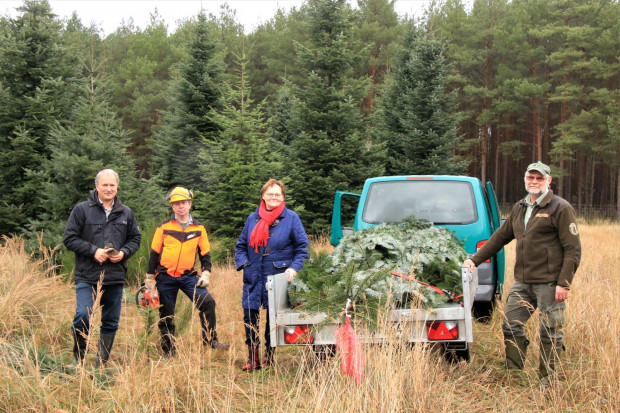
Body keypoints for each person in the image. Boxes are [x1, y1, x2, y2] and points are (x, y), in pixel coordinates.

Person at [463, 161, 581, 382]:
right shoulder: (520, 207)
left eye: (539, 178)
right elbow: (500, 237)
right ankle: (514, 374)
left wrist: (564, 283)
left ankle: (548, 380)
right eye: (531, 177)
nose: (534, 182)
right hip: (522, 283)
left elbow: (572, 249)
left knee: (550, 331)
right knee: (511, 325)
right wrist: (474, 260)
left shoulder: (560, 208)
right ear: (525, 179)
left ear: (548, 180)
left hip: (549, 282)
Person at [63, 169, 142, 367]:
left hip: (115, 276)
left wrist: (123, 253)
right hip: (87, 275)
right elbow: (69, 238)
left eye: (112, 185)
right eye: (104, 185)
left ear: (117, 187)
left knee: (111, 321)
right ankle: (79, 359)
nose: (108, 189)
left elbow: (135, 239)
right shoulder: (81, 209)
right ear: (96, 186)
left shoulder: (126, 212)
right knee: (82, 316)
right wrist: (93, 251)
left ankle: (101, 364)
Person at [235, 179, 309, 371]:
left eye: (278, 194)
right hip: (253, 275)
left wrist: (294, 268)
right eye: (270, 194)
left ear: (283, 197)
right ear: (263, 196)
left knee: (272, 319)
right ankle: (253, 358)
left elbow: (302, 248)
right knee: (249, 316)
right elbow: (241, 245)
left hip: (277, 276)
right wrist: (244, 263)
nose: (274, 197)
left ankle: (269, 356)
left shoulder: (291, 218)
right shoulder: (252, 219)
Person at [146, 186, 229, 356]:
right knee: (166, 313)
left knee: (207, 302)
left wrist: (206, 273)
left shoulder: (199, 228)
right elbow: (154, 253)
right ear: (172, 206)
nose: (180, 206)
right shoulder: (164, 227)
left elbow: (205, 254)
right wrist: (149, 277)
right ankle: (169, 349)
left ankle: (210, 340)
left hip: (187, 276)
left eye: (183, 202)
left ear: (190, 204)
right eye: (176, 203)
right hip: (165, 276)